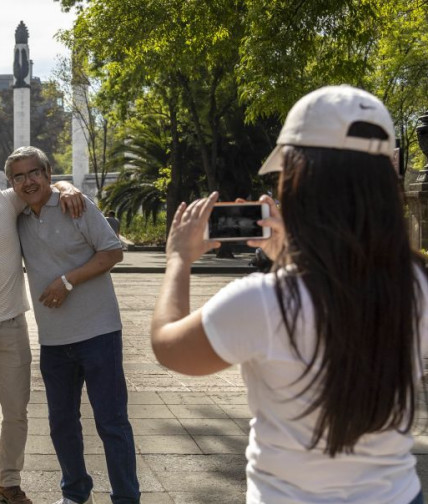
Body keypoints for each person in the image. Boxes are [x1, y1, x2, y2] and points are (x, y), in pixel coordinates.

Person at [150, 85, 428, 504]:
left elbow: (169, 346)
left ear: (298, 182)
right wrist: (290, 256)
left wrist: (178, 259)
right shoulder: (416, 283)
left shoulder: (264, 301)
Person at [5, 146, 140, 504]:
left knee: (111, 423)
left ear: (48, 174)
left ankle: (126, 498)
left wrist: (67, 281)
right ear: (11, 184)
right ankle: (76, 492)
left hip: (99, 334)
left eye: (35, 173)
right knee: (62, 425)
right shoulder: (16, 216)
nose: (28, 181)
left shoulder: (74, 204)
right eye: (19, 176)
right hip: (53, 341)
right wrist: (66, 185)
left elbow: (112, 252)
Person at [0, 166, 84, 504]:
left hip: (10, 325)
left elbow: (39, 188)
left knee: (17, 410)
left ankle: (8, 482)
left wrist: (67, 187)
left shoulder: (7, 203)